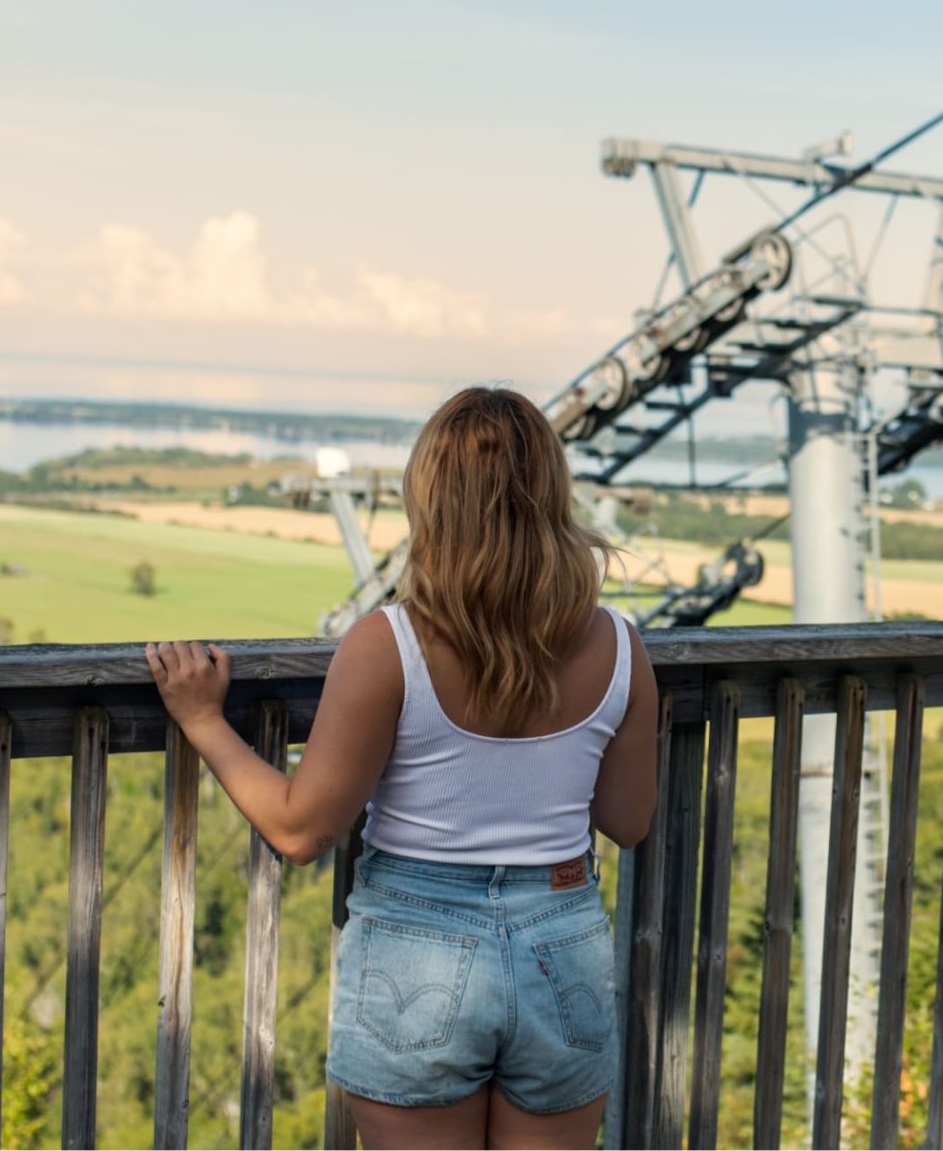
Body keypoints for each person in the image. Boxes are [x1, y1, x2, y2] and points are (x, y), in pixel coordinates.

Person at [145, 387, 658, 1150]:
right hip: (563, 938)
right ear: (552, 496)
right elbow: (628, 819)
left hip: (419, 941)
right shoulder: (619, 645)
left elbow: (300, 829)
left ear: (434, 503)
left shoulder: (389, 646)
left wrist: (202, 721)